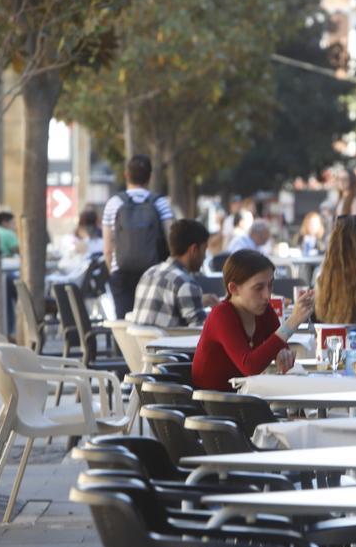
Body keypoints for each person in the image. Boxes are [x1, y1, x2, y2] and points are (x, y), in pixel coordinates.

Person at [191, 249, 315, 391]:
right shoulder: (221, 315)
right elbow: (250, 366)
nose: (267, 295)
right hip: (212, 404)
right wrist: (292, 322)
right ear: (234, 288)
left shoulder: (264, 311)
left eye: (270, 285)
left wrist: (283, 354)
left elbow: (279, 346)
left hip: (242, 398)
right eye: (258, 288)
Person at [102, 154, 174, 319]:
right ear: (149, 176)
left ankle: (122, 346)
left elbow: (108, 248)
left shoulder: (114, 203)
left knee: (123, 322)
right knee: (151, 322)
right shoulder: (160, 203)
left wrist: (112, 270)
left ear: (126, 175)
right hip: (154, 273)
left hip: (121, 272)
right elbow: (172, 239)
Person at [132, 219, 219, 328]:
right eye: (204, 250)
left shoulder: (148, 274)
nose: (205, 257)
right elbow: (202, 334)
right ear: (194, 249)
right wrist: (219, 313)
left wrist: (198, 301)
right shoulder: (186, 283)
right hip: (168, 344)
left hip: (140, 345)